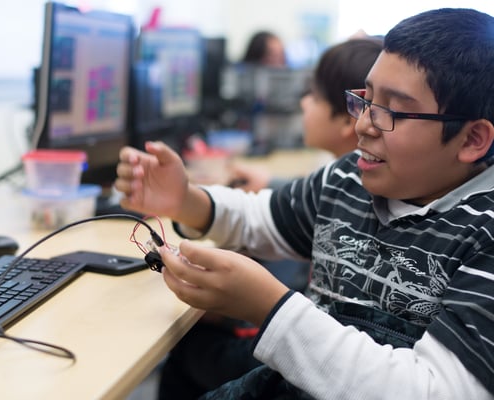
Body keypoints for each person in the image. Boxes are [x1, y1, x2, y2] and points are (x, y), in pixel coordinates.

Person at [115, 7, 494, 400]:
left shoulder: (484, 233)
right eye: (365, 99)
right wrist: (185, 198)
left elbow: (437, 390)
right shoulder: (349, 179)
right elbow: (259, 218)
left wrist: (270, 308)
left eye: (390, 111)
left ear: (471, 139)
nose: (363, 124)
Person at [153, 37, 383, 400]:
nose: (303, 101)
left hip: (310, 363)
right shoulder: (341, 180)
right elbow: (264, 214)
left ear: (345, 119)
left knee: (189, 345)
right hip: (313, 346)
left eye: (313, 95)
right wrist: (185, 199)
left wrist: (258, 306)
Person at [230, 37, 383, 192]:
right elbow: (312, 192)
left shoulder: (344, 201)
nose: (304, 102)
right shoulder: (337, 185)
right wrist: (268, 182)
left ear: (348, 120)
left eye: (315, 97)